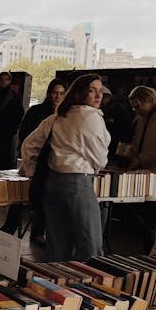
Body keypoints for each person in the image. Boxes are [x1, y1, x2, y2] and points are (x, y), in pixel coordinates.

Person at [21, 73, 110, 262]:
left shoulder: (57, 117)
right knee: (90, 247)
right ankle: (85, 281)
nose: (98, 95)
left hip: (52, 184)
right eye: (92, 90)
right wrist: (95, 167)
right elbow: (100, 158)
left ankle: (57, 280)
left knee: (57, 247)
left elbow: (28, 145)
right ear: (79, 93)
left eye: (100, 91)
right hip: (78, 183)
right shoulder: (91, 116)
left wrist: (32, 172)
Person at [2, 78, 67, 239]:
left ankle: (38, 233)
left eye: (61, 93)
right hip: (33, 160)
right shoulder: (36, 111)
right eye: (55, 93)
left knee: (45, 199)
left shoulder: (66, 115)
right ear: (49, 93)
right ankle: (8, 230)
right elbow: (25, 136)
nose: (57, 97)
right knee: (21, 196)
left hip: (53, 164)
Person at [0, 71, 24, 169]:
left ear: (10, 81)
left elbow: (19, 114)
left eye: (6, 79)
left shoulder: (14, 96)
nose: (4, 81)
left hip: (6, 131)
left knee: (5, 155)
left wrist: (13, 129)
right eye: (2, 79)